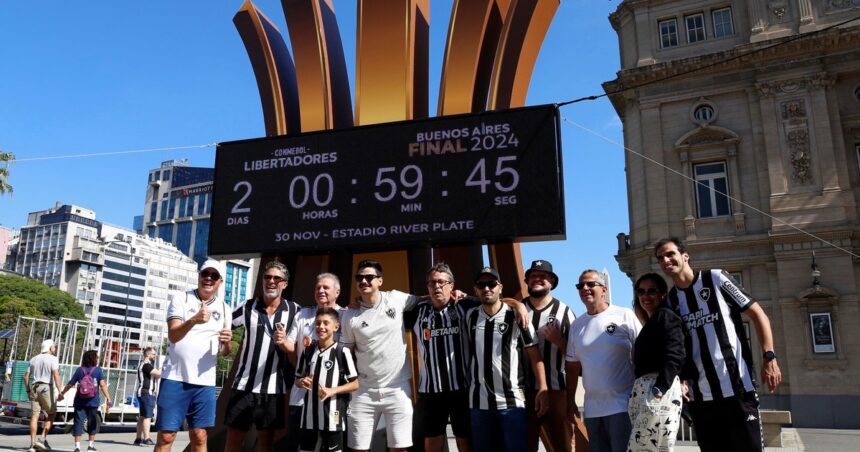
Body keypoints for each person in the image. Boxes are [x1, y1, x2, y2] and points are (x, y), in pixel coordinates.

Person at [654, 237, 782, 452]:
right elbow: (677, 349)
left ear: (685, 256)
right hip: (701, 398)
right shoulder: (672, 302)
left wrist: (769, 357)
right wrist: (682, 380)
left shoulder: (715, 278)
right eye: (660, 258)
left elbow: (758, 314)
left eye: (670, 254)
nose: (665, 260)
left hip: (738, 389)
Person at [339, 259, 420, 452]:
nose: (364, 281)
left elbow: (426, 299)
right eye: (360, 278)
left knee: (399, 448)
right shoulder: (350, 315)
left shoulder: (396, 299)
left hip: (398, 388)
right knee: (359, 448)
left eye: (369, 277)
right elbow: (345, 352)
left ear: (380, 281)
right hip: (364, 391)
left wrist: (453, 295)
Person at [465, 267, 548, 452]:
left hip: (512, 403)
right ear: (475, 289)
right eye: (481, 285)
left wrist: (543, 387)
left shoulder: (517, 316)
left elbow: (535, 355)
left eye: (492, 284)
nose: (487, 288)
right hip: (479, 404)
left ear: (500, 287)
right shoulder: (470, 316)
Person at [155, 259, 233, 452]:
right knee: (166, 436)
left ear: (220, 281)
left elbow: (225, 352)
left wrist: (227, 342)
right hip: (175, 378)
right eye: (205, 274)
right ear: (199, 276)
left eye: (213, 276)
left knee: (200, 436)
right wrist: (193, 320)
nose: (208, 278)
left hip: (204, 383)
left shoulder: (225, 309)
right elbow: (173, 336)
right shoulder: (181, 298)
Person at [225, 261, 300, 452]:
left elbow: (320, 321)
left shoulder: (295, 311)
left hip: (273, 389)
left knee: (266, 442)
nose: (271, 281)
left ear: (285, 284)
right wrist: (224, 337)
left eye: (277, 278)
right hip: (243, 386)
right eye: (267, 277)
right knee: (233, 439)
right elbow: (223, 324)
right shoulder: (247, 306)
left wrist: (347, 311)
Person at [565, 269, 641, 452]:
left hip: (623, 406)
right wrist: (569, 402)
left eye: (591, 284)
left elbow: (642, 354)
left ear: (604, 289)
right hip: (592, 411)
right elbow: (572, 367)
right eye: (580, 285)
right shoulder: (576, 325)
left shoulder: (624, 315)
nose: (585, 288)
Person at [404, 263, 475, 452]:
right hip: (431, 391)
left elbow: (495, 302)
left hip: (462, 388)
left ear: (452, 285)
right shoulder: (417, 311)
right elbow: (385, 310)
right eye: (432, 283)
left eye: (441, 282)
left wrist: (518, 305)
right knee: (432, 442)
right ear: (427, 287)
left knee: (464, 441)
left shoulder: (465, 306)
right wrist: (358, 303)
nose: (437, 286)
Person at [280, 272, 343, 452]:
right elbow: (291, 345)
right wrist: (282, 341)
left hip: (333, 398)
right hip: (301, 396)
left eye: (326, 287)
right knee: (300, 446)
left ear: (337, 292)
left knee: (332, 447)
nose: (320, 290)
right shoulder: (303, 315)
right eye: (317, 288)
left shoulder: (345, 315)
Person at [521, 260, 576, 452]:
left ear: (551, 282)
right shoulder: (516, 309)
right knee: (524, 445)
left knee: (562, 445)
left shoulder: (564, 312)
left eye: (543, 276)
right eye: (533, 276)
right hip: (522, 392)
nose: (537, 279)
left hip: (556, 390)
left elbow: (576, 355)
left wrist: (558, 341)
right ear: (527, 281)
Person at [627, 273, 685, 452]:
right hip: (646, 389)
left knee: (651, 448)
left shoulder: (665, 316)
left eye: (652, 291)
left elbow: (676, 353)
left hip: (658, 389)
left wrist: (659, 389)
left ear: (663, 294)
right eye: (641, 291)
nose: (645, 296)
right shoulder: (653, 321)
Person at [294, 307, 359, 452]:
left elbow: (355, 383)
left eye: (325, 323)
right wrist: (301, 382)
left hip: (334, 414)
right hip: (309, 415)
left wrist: (332, 390)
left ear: (336, 327)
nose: (321, 327)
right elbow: (297, 380)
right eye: (317, 323)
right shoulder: (308, 351)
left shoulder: (342, 351)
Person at [59, 350, 112, 452]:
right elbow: (103, 385)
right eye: (97, 357)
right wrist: (108, 398)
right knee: (92, 423)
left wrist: (62, 393)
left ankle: (77, 447)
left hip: (80, 400)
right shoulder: (98, 370)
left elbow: (70, 384)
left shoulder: (80, 370)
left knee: (78, 422)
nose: (98, 359)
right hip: (93, 401)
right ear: (93, 359)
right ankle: (90, 446)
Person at [23, 339, 64, 452]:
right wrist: (60, 392)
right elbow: (56, 375)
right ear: (50, 348)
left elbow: (26, 377)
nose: (55, 349)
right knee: (51, 413)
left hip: (34, 387)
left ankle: (32, 444)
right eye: (54, 347)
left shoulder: (33, 359)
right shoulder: (53, 359)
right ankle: (42, 439)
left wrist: (28, 391)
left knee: (34, 416)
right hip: (46, 387)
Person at [134, 346, 161, 446]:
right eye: (153, 354)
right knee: (147, 416)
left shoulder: (145, 365)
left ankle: (138, 438)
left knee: (142, 416)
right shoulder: (146, 365)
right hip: (146, 393)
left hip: (143, 393)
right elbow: (158, 374)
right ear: (148, 355)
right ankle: (147, 438)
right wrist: (165, 367)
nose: (155, 356)